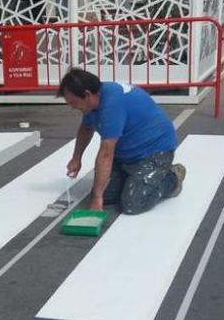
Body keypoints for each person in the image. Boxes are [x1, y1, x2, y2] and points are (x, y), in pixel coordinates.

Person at [59, 68, 186, 215]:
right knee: (106, 196)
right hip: (126, 153)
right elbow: (86, 128)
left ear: (87, 95)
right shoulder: (92, 104)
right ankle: (132, 178)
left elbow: (106, 152)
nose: (72, 107)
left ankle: (172, 178)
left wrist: (97, 197)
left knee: (133, 203)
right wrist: (76, 158)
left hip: (154, 151)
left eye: (74, 102)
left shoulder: (111, 104)